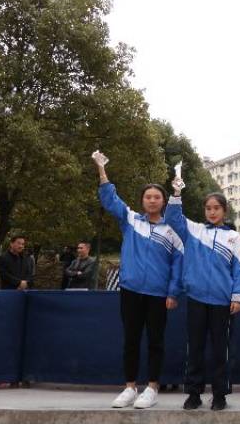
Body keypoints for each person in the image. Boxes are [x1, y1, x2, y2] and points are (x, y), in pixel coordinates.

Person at [93, 151, 183, 410]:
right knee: (131, 340)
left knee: (156, 341)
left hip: (158, 294)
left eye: (157, 197)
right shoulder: (131, 220)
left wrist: (173, 292)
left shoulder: (172, 231)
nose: (152, 200)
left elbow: (178, 265)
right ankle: (130, 387)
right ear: (142, 201)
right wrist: (101, 169)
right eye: (148, 197)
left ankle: (152, 388)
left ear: (164, 201)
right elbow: (110, 199)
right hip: (130, 290)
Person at [166, 178, 240, 411]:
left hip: (223, 303)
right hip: (196, 299)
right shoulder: (194, 230)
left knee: (220, 351)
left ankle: (220, 395)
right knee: (195, 348)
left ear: (224, 210)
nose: (212, 212)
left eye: (217, 208)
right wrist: (176, 192)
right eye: (208, 208)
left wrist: (237, 296)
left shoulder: (234, 238)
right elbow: (172, 218)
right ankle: (193, 393)